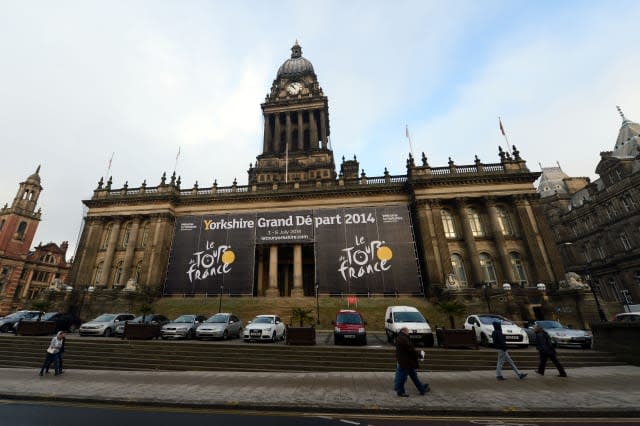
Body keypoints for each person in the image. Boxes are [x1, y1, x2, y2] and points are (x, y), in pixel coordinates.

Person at [394, 327, 429, 397]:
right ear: (404, 331)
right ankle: (400, 391)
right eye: (407, 331)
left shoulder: (400, 338)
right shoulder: (404, 339)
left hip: (407, 362)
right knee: (402, 377)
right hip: (406, 362)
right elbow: (411, 350)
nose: (408, 332)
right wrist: (420, 355)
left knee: (414, 376)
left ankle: (422, 389)